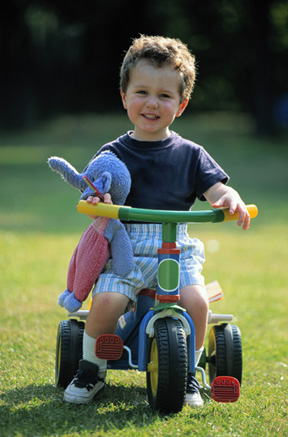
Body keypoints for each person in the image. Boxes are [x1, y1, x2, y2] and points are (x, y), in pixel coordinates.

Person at [63, 35, 250, 407]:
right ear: (124, 96)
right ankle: (92, 367)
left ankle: (188, 375)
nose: (152, 103)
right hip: (126, 249)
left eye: (164, 96)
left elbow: (216, 191)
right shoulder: (112, 152)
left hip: (176, 250)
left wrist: (230, 198)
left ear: (180, 105)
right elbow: (95, 188)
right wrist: (98, 199)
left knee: (197, 302)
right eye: (142, 92)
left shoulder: (191, 155)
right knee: (107, 302)